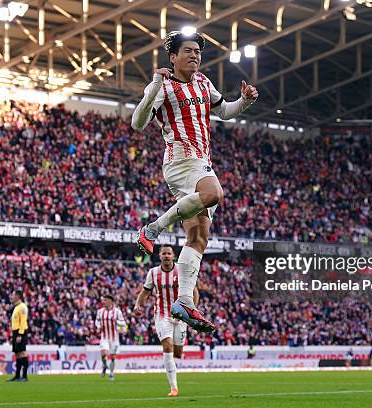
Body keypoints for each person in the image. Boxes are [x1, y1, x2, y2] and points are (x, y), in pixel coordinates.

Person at [131, 30, 259, 333]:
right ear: (173, 57)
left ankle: (185, 301)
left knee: (198, 238)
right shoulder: (163, 85)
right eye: (187, 51)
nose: (194, 56)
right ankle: (153, 228)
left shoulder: (203, 83)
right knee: (215, 193)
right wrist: (153, 86)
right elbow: (138, 124)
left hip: (200, 161)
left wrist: (244, 101)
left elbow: (224, 112)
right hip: (180, 160)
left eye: (198, 52)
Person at [133, 245, 199, 397]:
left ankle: (172, 366)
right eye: (164, 254)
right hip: (163, 316)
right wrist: (138, 305)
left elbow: (194, 292)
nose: (167, 256)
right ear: (160, 256)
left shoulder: (182, 271)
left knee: (178, 353)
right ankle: (174, 388)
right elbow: (145, 291)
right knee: (167, 346)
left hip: (181, 317)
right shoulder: (153, 273)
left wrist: (192, 311)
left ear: (173, 256)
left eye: (169, 253)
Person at [96, 295, 127, 381]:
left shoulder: (117, 312)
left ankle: (111, 373)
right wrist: (99, 327)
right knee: (104, 353)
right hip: (104, 337)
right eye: (103, 300)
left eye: (105, 300)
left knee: (113, 357)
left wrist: (116, 322)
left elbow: (123, 323)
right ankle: (105, 365)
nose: (103, 302)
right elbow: (97, 321)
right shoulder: (100, 311)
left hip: (114, 338)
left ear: (110, 301)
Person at [7, 289, 29, 382]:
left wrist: (20, 334)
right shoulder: (16, 307)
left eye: (13, 295)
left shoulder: (22, 307)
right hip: (15, 332)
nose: (11, 297)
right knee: (17, 354)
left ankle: (24, 376)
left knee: (22, 353)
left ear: (18, 296)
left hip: (21, 332)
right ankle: (17, 376)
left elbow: (23, 321)